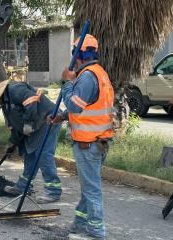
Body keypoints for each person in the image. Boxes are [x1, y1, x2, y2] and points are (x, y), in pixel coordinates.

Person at [49, 34, 114, 239]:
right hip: (100, 141)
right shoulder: (99, 73)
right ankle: (80, 223)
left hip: (89, 143)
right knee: (89, 186)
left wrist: (67, 83)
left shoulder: (86, 76)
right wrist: (62, 117)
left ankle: (95, 230)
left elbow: (75, 106)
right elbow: (87, 108)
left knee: (91, 188)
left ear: (78, 55)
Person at [0, 78, 62, 203]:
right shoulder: (5, 104)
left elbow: (32, 100)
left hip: (48, 119)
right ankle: (23, 187)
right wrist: (12, 143)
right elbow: (15, 126)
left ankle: (53, 191)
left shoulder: (15, 90)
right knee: (29, 154)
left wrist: (28, 123)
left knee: (43, 155)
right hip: (36, 126)